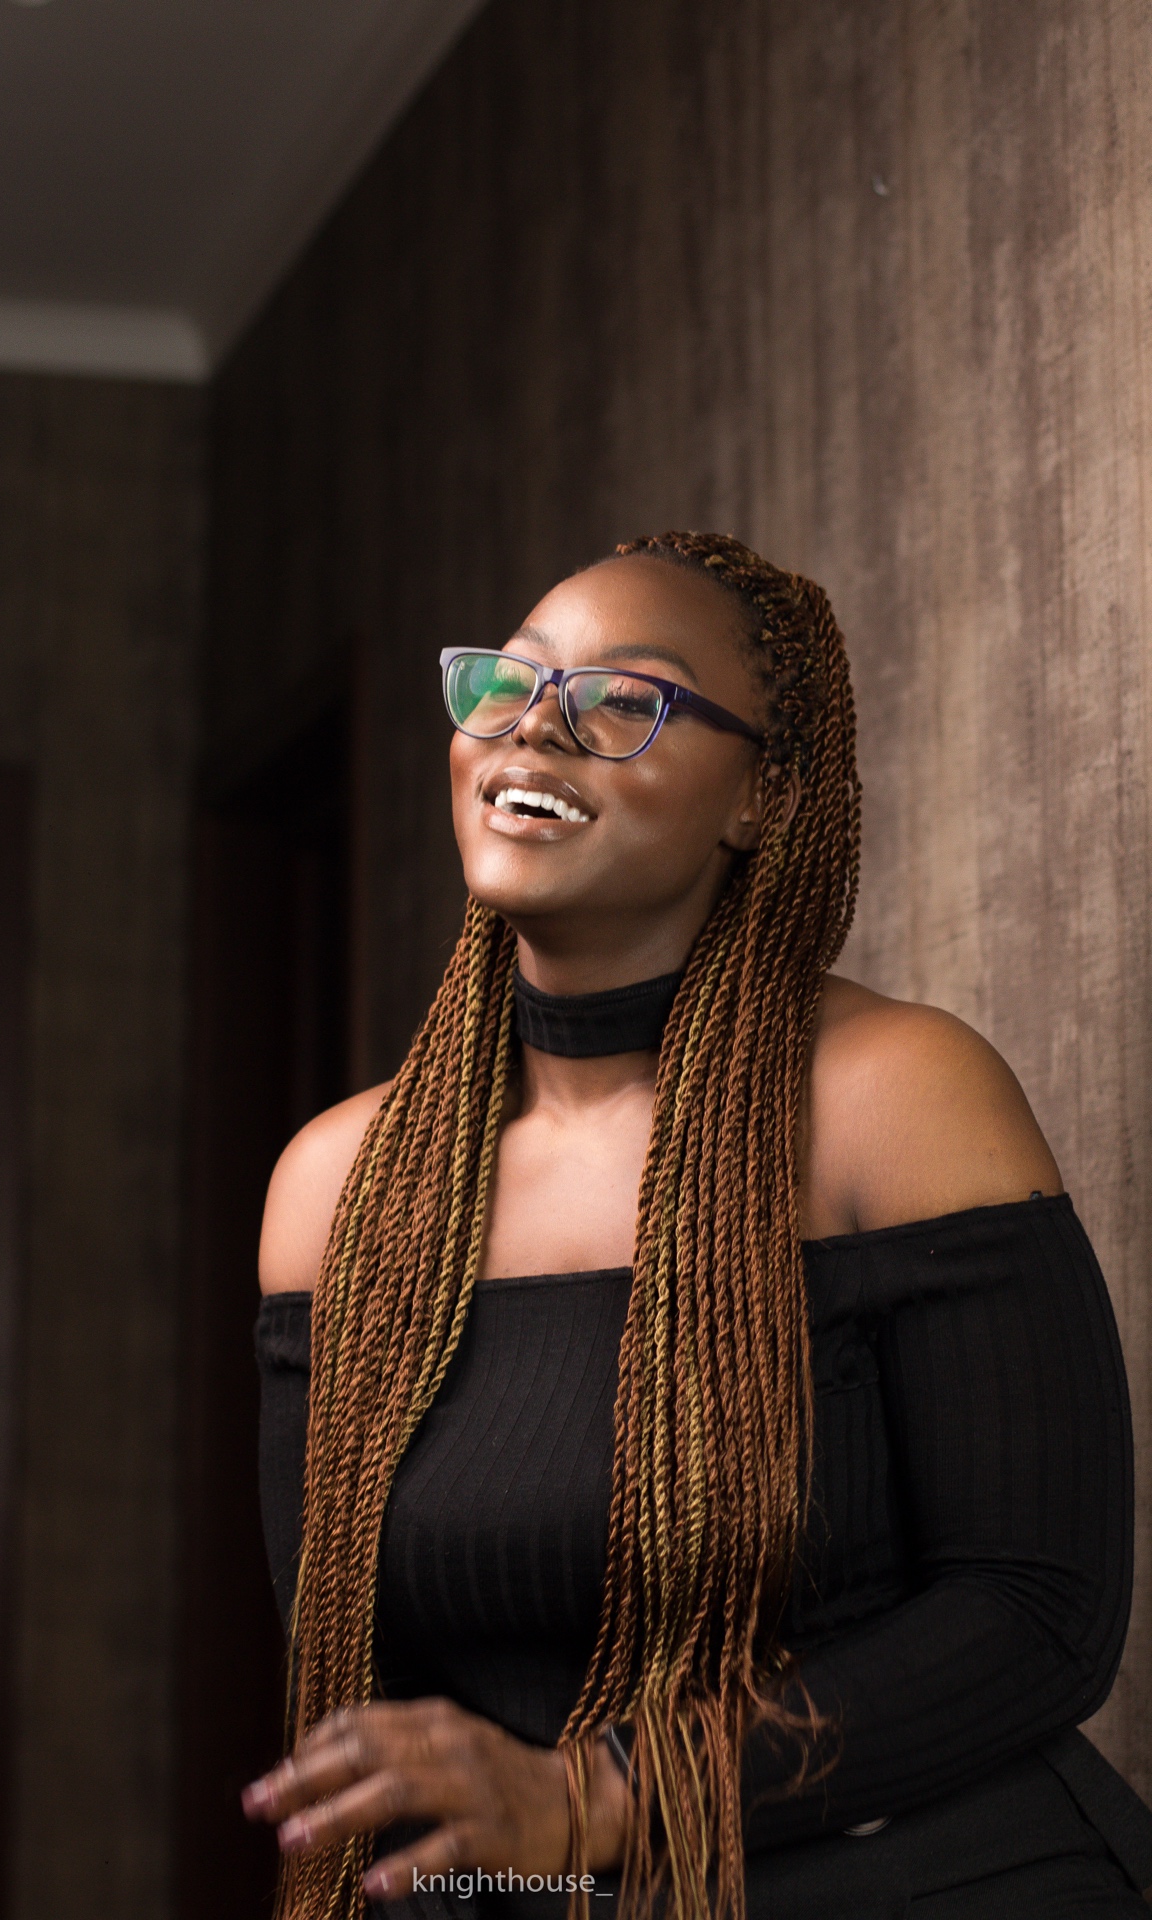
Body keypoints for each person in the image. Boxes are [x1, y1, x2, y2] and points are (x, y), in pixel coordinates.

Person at [242, 532, 1152, 1919]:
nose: (533, 725)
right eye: (508, 683)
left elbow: (1037, 1617)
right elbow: (365, 1699)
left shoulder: (891, 1099)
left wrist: (597, 1800)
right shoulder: (336, 1191)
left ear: (762, 796)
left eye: (622, 698)